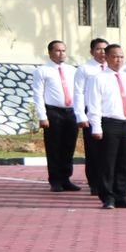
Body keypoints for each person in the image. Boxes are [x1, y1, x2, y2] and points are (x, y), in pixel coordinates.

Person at [86, 44, 126, 209]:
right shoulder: (98, 78)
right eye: (114, 56)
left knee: (124, 163)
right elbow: (94, 105)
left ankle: (122, 195)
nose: (118, 60)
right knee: (107, 162)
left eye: (121, 56)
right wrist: (96, 127)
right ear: (106, 57)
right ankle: (107, 197)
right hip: (109, 123)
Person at [33, 40, 84, 192]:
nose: (61, 53)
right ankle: (55, 180)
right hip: (53, 112)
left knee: (69, 146)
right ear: (50, 52)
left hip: (71, 111)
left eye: (63, 50)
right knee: (54, 146)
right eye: (57, 50)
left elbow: (79, 92)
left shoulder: (72, 70)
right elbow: (38, 94)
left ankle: (66, 178)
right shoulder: (42, 71)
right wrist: (42, 116)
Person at [79, 38, 108, 196]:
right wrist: (81, 116)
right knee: (94, 151)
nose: (102, 52)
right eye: (98, 49)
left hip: (109, 113)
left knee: (108, 151)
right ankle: (94, 183)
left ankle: (107, 182)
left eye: (105, 49)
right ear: (92, 51)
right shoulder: (85, 69)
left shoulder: (114, 69)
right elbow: (78, 93)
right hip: (91, 113)